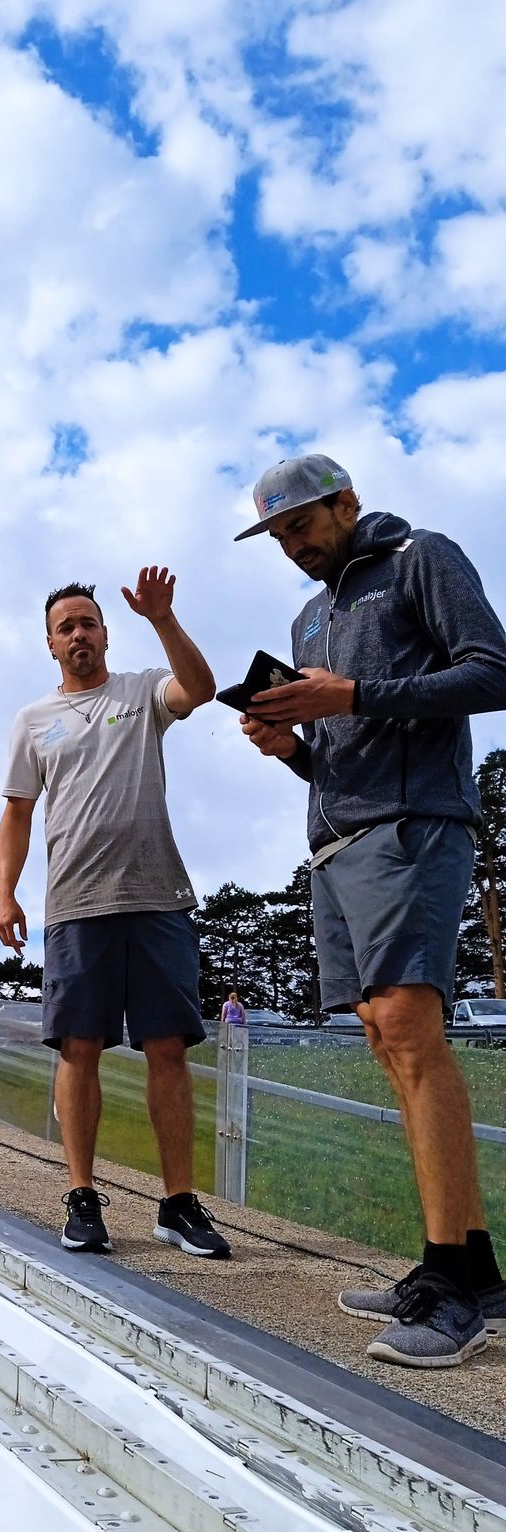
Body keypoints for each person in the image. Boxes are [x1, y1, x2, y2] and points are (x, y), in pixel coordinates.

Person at [235, 451, 506, 1367]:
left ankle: (449, 1289)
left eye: (301, 526)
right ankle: (472, 1269)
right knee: (386, 1038)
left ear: (346, 502)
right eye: (276, 536)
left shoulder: (422, 557)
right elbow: (336, 748)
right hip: (336, 838)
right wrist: (289, 747)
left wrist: (353, 694)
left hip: (413, 823)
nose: (291, 547)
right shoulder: (308, 616)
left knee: (409, 1024)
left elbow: (491, 672)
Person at [0, 571, 229, 1259]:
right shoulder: (34, 721)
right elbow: (16, 810)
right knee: (79, 1047)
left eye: (88, 622)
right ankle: (82, 1195)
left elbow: (201, 688)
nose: (79, 634)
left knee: (167, 1047)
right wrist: (4, 892)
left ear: (105, 632)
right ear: (49, 643)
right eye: (66, 626)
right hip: (75, 904)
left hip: (158, 896)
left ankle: (178, 1202)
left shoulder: (141, 690)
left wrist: (163, 618)